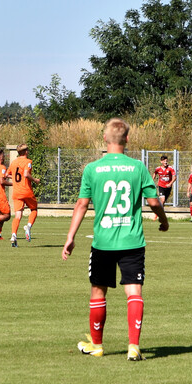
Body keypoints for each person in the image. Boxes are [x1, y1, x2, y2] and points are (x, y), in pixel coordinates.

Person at [62, 118, 169, 361]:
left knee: (98, 292)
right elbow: (153, 202)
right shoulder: (138, 168)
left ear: (104, 139)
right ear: (127, 139)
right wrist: (163, 220)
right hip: (132, 241)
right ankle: (133, 346)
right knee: (134, 292)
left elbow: (81, 204)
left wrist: (70, 237)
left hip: (103, 242)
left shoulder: (92, 169)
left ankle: (97, 345)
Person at [8, 144, 40, 246]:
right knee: (34, 209)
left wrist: (15, 179)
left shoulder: (14, 162)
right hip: (26, 191)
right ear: (25, 151)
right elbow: (26, 174)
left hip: (16, 192)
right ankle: (28, 227)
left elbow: (6, 175)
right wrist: (35, 180)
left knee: (17, 215)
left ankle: (13, 235)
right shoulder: (28, 162)